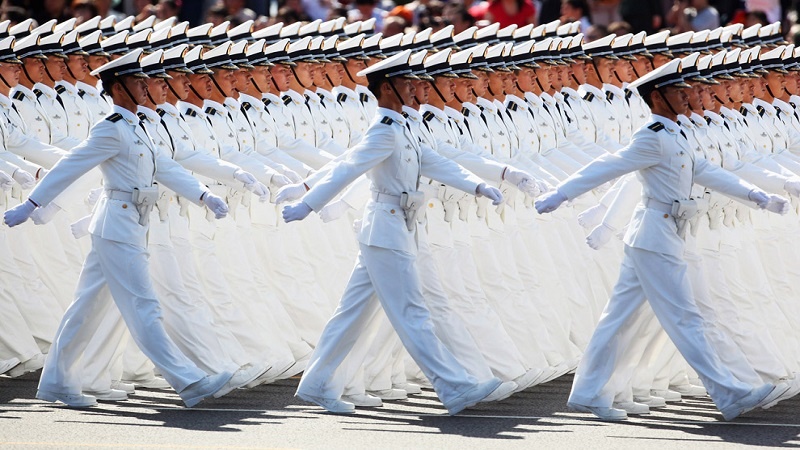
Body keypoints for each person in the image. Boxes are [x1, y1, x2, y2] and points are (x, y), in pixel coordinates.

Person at [534, 58, 792, 421]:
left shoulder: (675, 134)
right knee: (685, 317)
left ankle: (590, 393)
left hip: (662, 232)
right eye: (676, 92)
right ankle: (731, 393)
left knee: (619, 319)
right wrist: (560, 194)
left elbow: (706, 172)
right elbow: (609, 166)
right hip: (655, 235)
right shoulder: (652, 136)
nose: (686, 97)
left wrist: (757, 196)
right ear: (657, 97)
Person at [280, 49, 516, 415]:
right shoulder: (385, 130)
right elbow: (349, 169)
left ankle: (317, 383)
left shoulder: (401, 126)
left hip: (395, 227)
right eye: (405, 82)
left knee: (351, 314)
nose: (413, 87)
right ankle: (455, 387)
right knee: (412, 312)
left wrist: (477, 185)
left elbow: (430, 161)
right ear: (387, 87)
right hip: (386, 228)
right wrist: (308, 204)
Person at [3, 48, 235, 408]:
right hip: (118, 225)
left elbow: (164, 168)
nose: (145, 86)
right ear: (118, 87)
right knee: (144, 306)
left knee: (85, 309)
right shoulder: (109, 129)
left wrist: (203, 195)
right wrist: (32, 204)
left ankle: (57, 383)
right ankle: (189, 381)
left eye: (144, 80)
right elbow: (70, 167)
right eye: (137, 81)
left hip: (127, 224)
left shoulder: (135, 126)